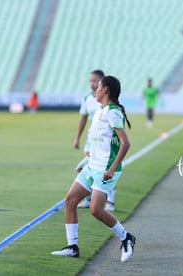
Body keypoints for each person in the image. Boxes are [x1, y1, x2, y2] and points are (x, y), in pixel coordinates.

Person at [51, 76, 136, 263]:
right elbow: (101, 142)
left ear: (105, 89)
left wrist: (112, 168)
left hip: (105, 169)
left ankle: (125, 237)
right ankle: (72, 247)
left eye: (97, 87)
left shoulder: (112, 112)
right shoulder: (100, 110)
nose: (94, 90)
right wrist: (87, 161)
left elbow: (125, 143)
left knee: (95, 209)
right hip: (92, 166)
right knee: (70, 200)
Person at [74, 70, 117, 211]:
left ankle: (110, 201)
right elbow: (83, 119)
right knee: (88, 169)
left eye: (95, 81)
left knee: (107, 169)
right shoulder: (87, 99)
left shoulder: (108, 103)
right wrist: (77, 138)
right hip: (91, 139)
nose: (92, 84)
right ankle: (88, 198)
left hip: (104, 141)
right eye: (90, 81)